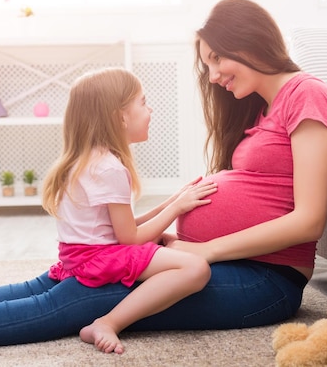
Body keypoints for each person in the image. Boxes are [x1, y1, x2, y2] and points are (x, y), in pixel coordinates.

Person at [0, 0, 327, 350]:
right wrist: (177, 231)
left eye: (214, 60)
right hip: (224, 261)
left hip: (267, 282)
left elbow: (307, 220)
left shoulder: (306, 95)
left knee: (85, 297)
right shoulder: (261, 109)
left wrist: (202, 247)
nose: (212, 76)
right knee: (52, 282)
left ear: (246, 43)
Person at [41, 68, 217, 353]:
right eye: (143, 102)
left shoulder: (89, 160)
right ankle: (108, 322)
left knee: (169, 246)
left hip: (81, 254)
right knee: (195, 267)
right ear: (120, 117)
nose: (150, 109)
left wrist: (172, 200)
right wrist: (176, 209)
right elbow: (130, 238)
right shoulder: (108, 168)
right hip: (96, 258)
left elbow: (115, 227)